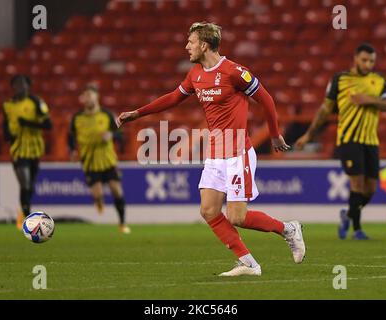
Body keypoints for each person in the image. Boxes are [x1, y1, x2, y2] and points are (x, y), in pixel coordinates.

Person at [117, 22, 305, 276]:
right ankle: (248, 263)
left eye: (191, 42)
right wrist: (138, 113)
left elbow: (267, 99)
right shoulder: (195, 74)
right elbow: (173, 97)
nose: (187, 46)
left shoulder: (234, 72)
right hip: (216, 153)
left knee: (237, 216)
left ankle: (288, 229)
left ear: (204, 45)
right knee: (208, 210)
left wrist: (273, 134)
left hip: (238, 152)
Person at [295, 43, 386, 240]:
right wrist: (309, 134)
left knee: (371, 189)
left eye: (372, 61)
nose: (368, 64)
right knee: (356, 184)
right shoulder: (340, 80)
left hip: (371, 141)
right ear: (356, 59)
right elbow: (325, 109)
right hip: (349, 140)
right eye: (364, 60)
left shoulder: (379, 81)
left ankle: (347, 214)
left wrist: (368, 99)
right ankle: (357, 229)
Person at [69, 84, 130, 234]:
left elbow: (120, 135)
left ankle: (122, 223)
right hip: (89, 161)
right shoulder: (77, 118)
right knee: (97, 195)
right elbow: (70, 136)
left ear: (97, 97)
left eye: (91, 95)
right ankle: (98, 201)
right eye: (86, 95)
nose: (88, 98)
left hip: (108, 160)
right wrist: (72, 150)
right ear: (83, 99)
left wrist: (112, 135)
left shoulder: (107, 115)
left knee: (116, 190)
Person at [2, 74, 53, 230]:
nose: (20, 87)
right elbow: (5, 123)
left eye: (23, 83)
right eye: (17, 84)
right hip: (18, 149)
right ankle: (26, 216)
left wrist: (28, 123)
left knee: (29, 185)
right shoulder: (7, 105)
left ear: (28, 85)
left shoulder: (36, 102)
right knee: (25, 183)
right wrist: (7, 135)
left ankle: (23, 212)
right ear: (13, 87)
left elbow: (48, 125)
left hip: (34, 148)